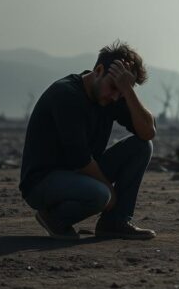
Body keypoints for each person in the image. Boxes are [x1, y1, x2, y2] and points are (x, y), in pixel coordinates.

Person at [19, 41, 157, 240]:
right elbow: (80, 159)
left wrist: (128, 91)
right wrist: (112, 193)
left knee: (142, 147)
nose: (115, 96)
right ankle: (54, 218)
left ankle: (115, 222)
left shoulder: (113, 95)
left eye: (121, 90)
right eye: (113, 87)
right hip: (43, 181)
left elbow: (148, 133)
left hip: (77, 173)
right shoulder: (66, 94)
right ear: (99, 70)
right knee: (101, 195)